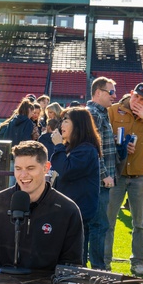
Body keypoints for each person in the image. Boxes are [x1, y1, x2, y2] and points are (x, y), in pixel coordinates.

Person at [0, 141, 84, 271]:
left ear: (46, 168)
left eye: (30, 168)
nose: (23, 175)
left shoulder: (68, 210)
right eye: (18, 169)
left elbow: (71, 262)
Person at [105, 82, 143, 278]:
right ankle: (104, 262)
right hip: (116, 176)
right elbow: (103, 138)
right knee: (108, 222)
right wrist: (119, 146)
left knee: (140, 223)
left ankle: (138, 263)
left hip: (140, 177)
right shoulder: (113, 111)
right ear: (130, 93)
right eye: (136, 97)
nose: (138, 102)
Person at [50, 108, 102, 266]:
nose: (61, 125)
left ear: (78, 125)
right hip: (69, 210)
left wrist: (58, 146)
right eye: (62, 120)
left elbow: (66, 170)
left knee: (74, 257)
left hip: (77, 211)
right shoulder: (76, 148)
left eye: (66, 120)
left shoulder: (86, 149)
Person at [85, 77, 119, 270]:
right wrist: (104, 175)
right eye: (111, 92)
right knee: (99, 225)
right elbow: (92, 149)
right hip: (98, 181)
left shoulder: (101, 113)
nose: (115, 96)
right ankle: (99, 267)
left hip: (101, 180)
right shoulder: (94, 114)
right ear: (98, 92)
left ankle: (93, 264)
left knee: (96, 225)